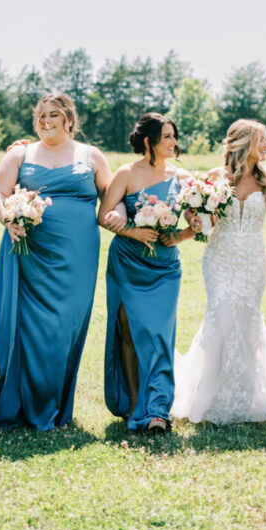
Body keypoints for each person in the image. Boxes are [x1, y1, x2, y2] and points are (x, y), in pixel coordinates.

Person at [0, 93, 114, 430]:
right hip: (29, 252)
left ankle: (55, 402)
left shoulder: (92, 156)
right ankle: (26, 401)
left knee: (64, 325)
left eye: (54, 115)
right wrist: (6, 218)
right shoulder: (20, 153)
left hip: (77, 257)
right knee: (29, 326)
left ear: (69, 120)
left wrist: (122, 215)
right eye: (42, 115)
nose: (46, 121)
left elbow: (112, 199)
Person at [172, 119, 266, 424]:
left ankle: (247, 392)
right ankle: (211, 393)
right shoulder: (216, 178)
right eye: (262, 140)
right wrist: (195, 212)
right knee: (221, 312)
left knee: (245, 317)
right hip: (219, 257)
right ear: (244, 144)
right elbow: (205, 223)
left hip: (252, 259)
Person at [100, 112, 201, 433]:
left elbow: (198, 223)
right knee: (128, 331)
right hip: (127, 262)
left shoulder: (182, 178)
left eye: (174, 136)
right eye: (167, 136)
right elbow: (104, 215)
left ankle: (158, 409)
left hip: (165, 267)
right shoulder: (127, 173)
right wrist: (132, 231)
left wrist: (182, 235)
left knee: (159, 335)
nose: (174, 142)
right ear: (149, 141)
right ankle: (133, 403)